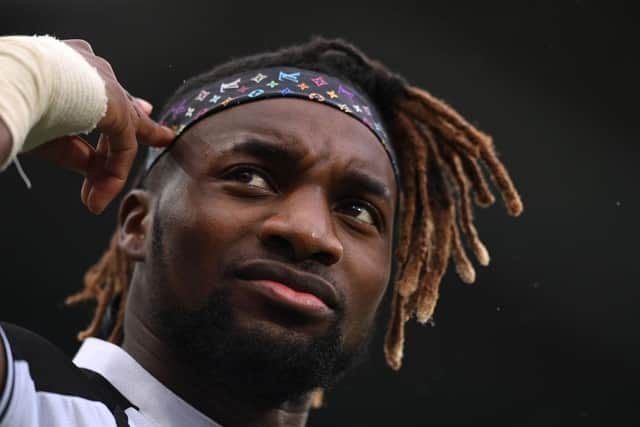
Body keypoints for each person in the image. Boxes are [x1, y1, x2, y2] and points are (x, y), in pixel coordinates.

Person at [0, 34, 523, 427]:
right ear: (138, 224)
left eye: (359, 212)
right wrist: (32, 75)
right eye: (249, 177)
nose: (312, 233)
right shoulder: (27, 400)